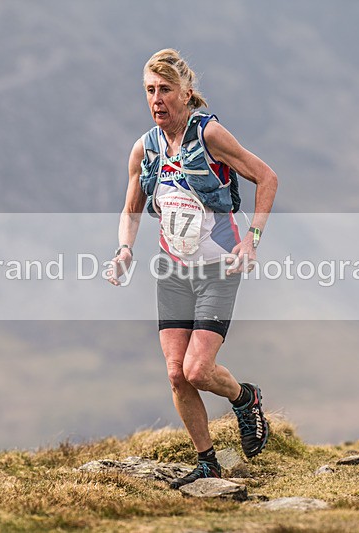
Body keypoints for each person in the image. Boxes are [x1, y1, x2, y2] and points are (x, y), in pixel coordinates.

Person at [108, 49, 278, 487]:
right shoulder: (144, 148)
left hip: (219, 268)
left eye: (165, 90)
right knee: (175, 374)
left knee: (198, 370)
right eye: (150, 90)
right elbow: (131, 209)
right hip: (172, 273)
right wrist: (124, 250)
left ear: (186, 93)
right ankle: (207, 462)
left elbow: (267, 178)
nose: (157, 99)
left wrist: (252, 239)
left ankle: (245, 399)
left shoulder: (210, 134)